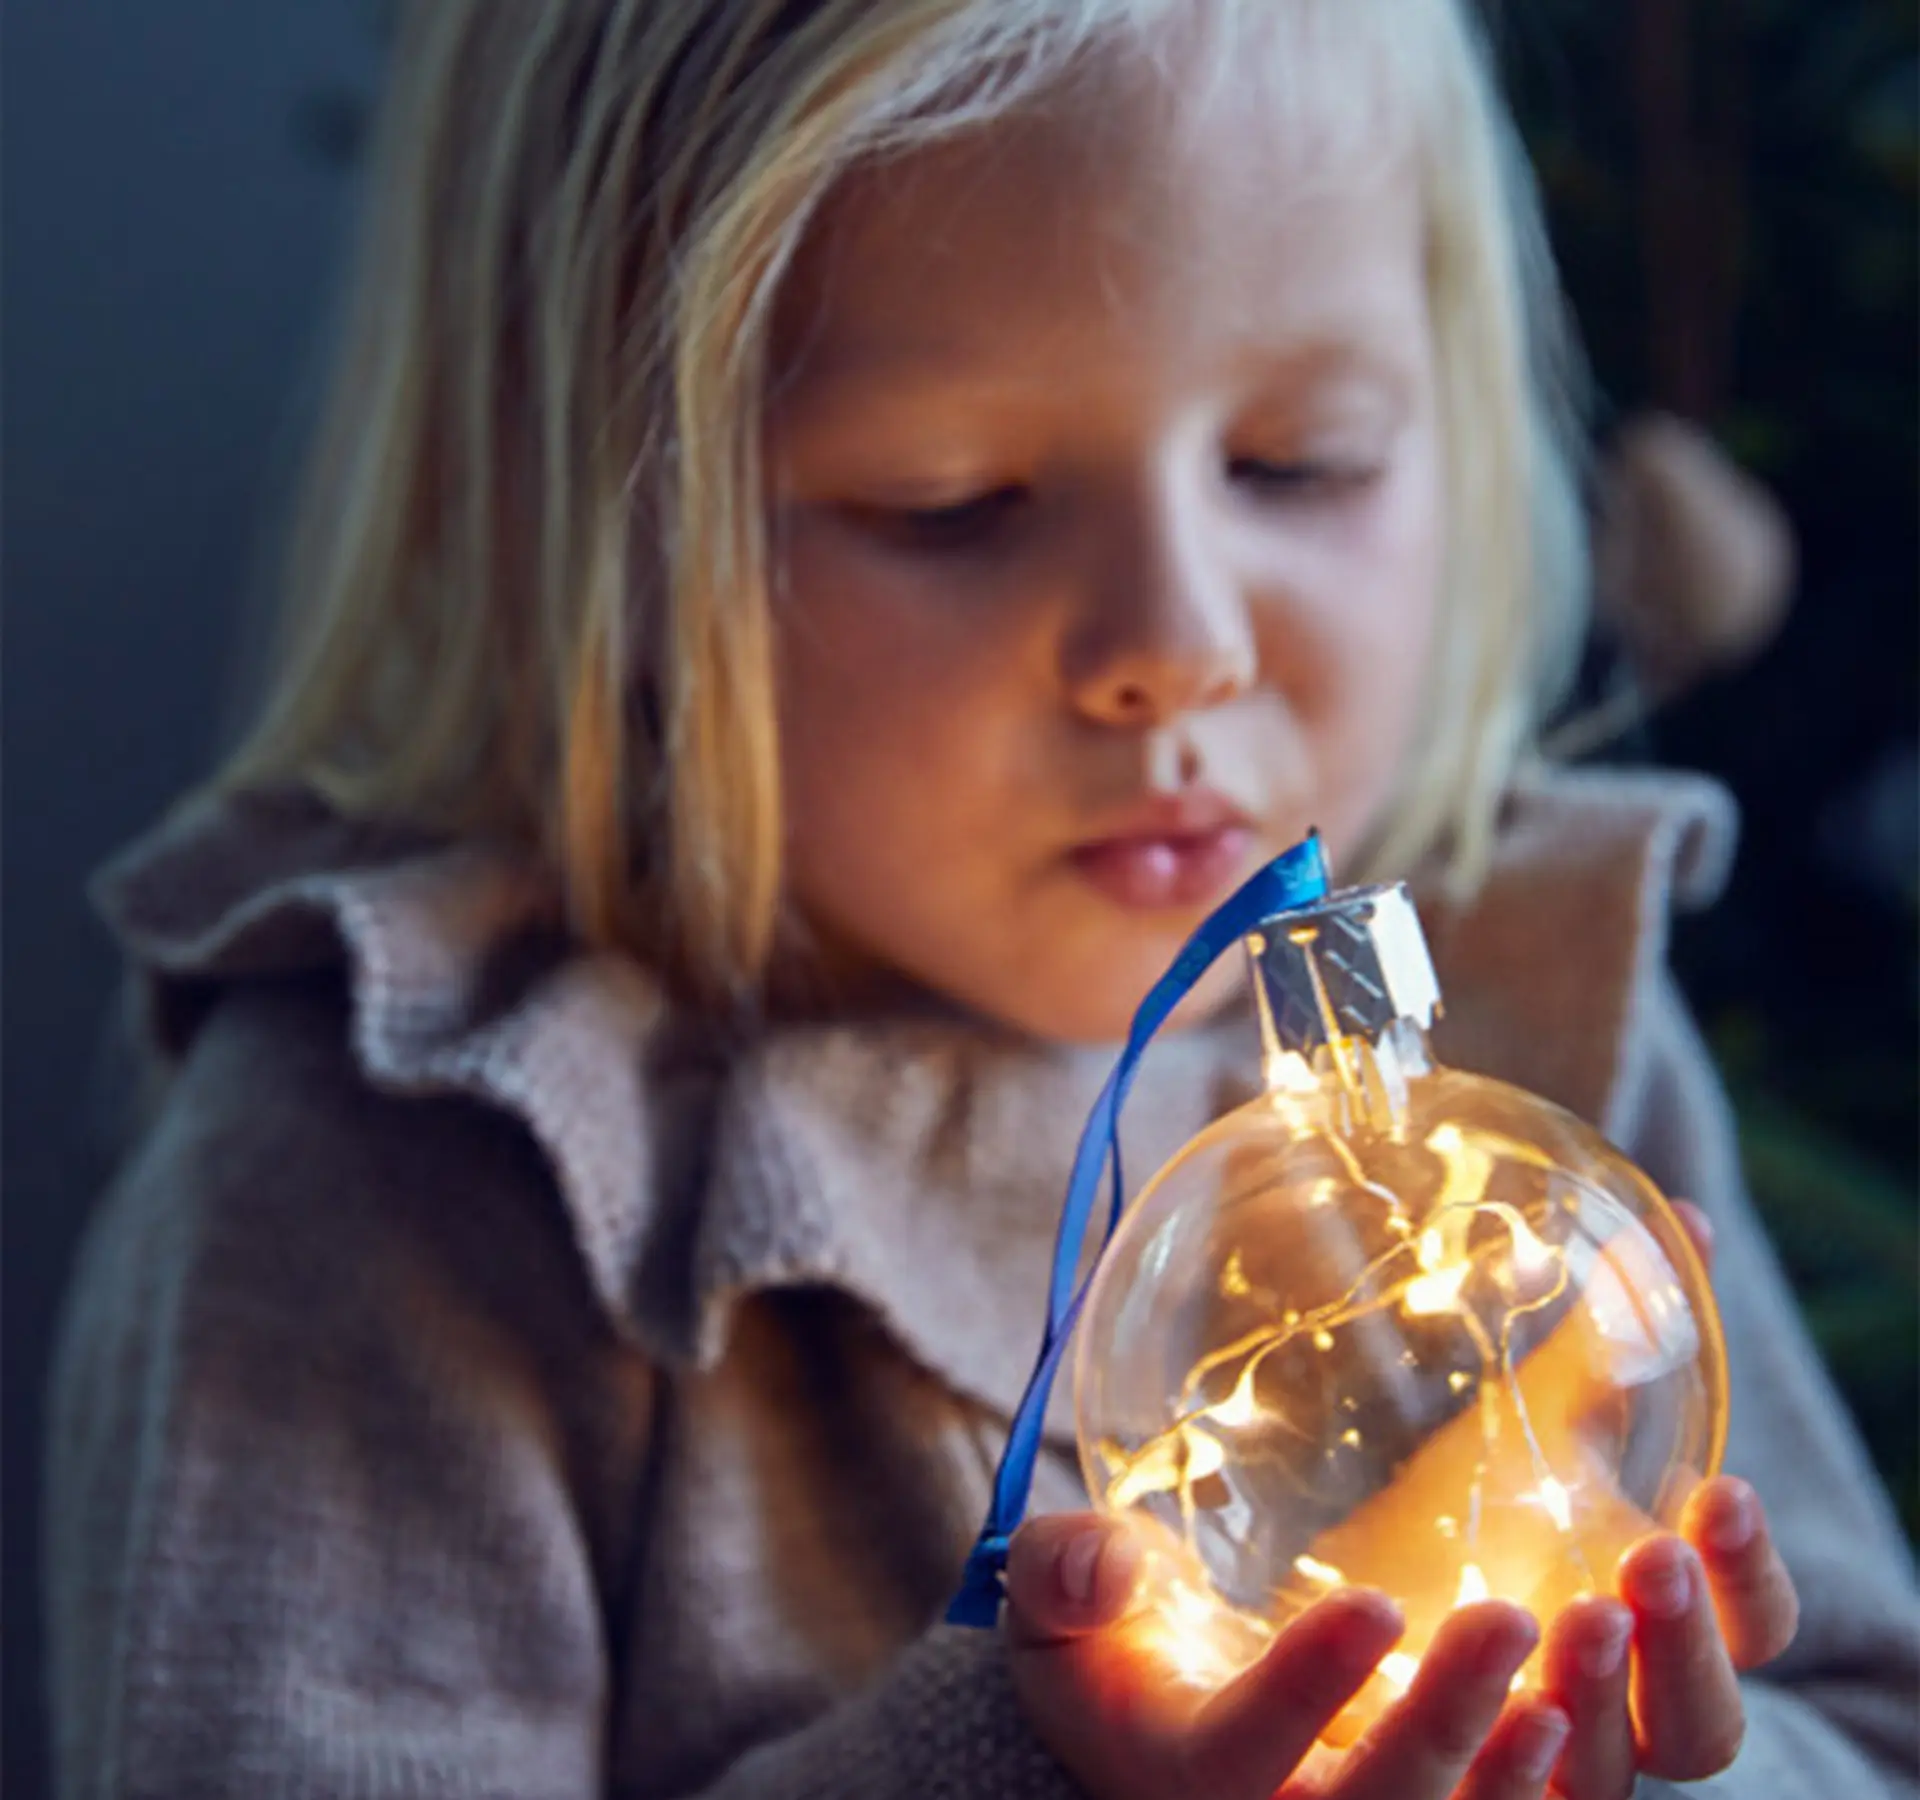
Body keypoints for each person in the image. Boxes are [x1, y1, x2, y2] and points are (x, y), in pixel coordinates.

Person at [45, 3, 1918, 1796]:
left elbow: (1867, 1727)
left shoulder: (1541, 1028)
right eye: (951, 503)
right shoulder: (404, 1188)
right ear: (602, 522)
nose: (1178, 648)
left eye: (1296, 463)